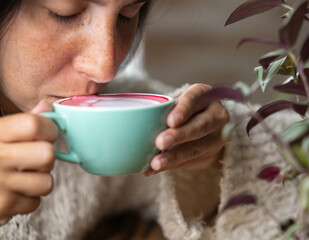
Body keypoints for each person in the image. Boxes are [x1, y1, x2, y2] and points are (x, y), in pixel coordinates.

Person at [0, 0, 230, 239]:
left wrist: (218, 154)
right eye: (65, 14)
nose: (106, 68)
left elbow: (262, 159)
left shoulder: (116, 113)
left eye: (126, 15)